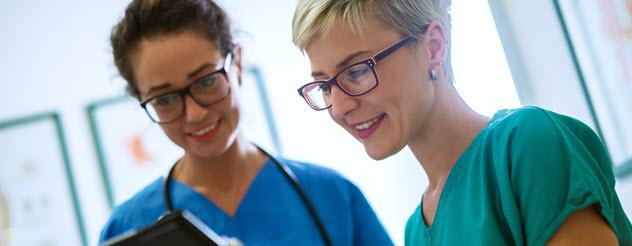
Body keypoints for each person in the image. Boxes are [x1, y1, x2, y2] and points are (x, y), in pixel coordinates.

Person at [291, 0, 632, 245]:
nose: (338, 108)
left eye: (357, 71)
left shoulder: (526, 144)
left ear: (433, 47)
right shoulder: (417, 228)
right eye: (324, 86)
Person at [99, 0, 394, 245]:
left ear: (236, 63)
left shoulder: (331, 196)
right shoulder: (127, 228)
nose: (195, 114)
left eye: (206, 82)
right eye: (164, 100)